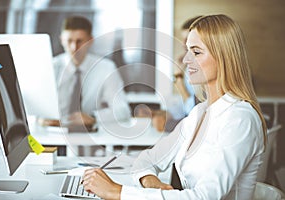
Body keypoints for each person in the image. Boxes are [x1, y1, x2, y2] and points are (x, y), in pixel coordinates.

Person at [81, 14, 267, 199]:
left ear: (223, 57)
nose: (186, 59)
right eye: (187, 50)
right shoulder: (199, 113)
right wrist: (151, 182)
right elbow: (146, 160)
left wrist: (117, 192)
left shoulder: (240, 119)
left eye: (196, 52)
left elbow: (205, 196)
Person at [41, 16, 131, 130]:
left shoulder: (106, 68)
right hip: (53, 134)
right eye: (69, 41)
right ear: (61, 40)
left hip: (91, 135)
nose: (74, 47)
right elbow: (30, 107)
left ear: (90, 40)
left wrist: (94, 117)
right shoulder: (50, 67)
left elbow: (123, 110)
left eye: (79, 41)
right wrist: (40, 118)